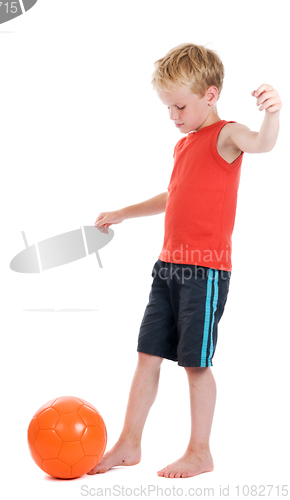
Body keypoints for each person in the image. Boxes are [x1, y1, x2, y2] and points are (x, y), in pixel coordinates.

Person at [88, 43, 282, 479]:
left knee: (195, 362)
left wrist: (272, 114)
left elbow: (263, 144)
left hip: (205, 270)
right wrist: (123, 211)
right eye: (167, 107)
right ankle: (129, 443)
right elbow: (173, 195)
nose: (173, 116)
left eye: (179, 105)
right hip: (167, 267)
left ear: (210, 96)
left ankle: (200, 451)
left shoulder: (227, 135)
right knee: (148, 354)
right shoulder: (184, 146)